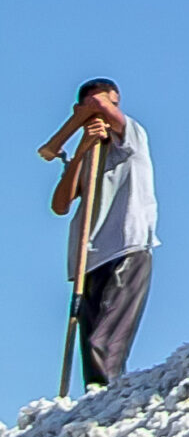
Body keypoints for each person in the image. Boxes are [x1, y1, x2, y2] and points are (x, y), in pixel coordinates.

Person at [41, 79, 159, 389]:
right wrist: (79, 149)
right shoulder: (89, 154)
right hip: (88, 259)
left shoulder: (131, 137)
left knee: (103, 342)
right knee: (89, 347)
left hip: (126, 247)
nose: (106, 115)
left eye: (113, 107)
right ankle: (97, 401)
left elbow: (98, 105)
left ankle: (109, 400)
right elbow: (60, 204)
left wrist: (57, 142)